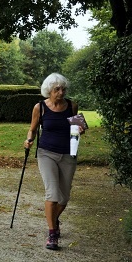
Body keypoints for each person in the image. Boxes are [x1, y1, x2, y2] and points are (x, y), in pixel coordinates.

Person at [23, 73, 84, 251]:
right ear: (49, 90)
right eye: (57, 89)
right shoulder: (40, 107)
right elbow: (32, 129)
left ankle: (53, 219)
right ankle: (52, 232)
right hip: (46, 153)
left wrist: (80, 128)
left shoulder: (72, 106)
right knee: (52, 194)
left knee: (64, 198)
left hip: (68, 154)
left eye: (63, 88)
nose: (61, 92)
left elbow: (79, 129)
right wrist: (29, 140)